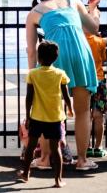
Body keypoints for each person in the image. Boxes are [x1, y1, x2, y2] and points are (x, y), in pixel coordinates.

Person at [25, 0, 100, 171]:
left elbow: (31, 51)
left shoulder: (34, 13)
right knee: (83, 111)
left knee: (48, 110)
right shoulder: (72, 0)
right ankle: (82, 160)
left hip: (56, 58)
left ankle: (45, 159)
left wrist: (33, 75)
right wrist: (93, 9)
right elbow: (93, 28)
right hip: (81, 55)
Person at [17, 40, 74, 188]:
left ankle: (26, 173)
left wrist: (28, 116)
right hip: (55, 118)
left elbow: (29, 97)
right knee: (55, 149)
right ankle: (58, 180)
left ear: (39, 57)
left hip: (37, 117)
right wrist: (70, 109)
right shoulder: (60, 74)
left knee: (30, 147)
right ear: (55, 58)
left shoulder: (33, 74)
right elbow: (66, 95)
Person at [85, 28, 107, 158]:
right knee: (98, 115)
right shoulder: (100, 41)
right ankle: (98, 147)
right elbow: (103, 59)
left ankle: (87, 146)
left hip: (84, 81)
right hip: (99, 80)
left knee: (85, 116)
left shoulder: (79, 41)